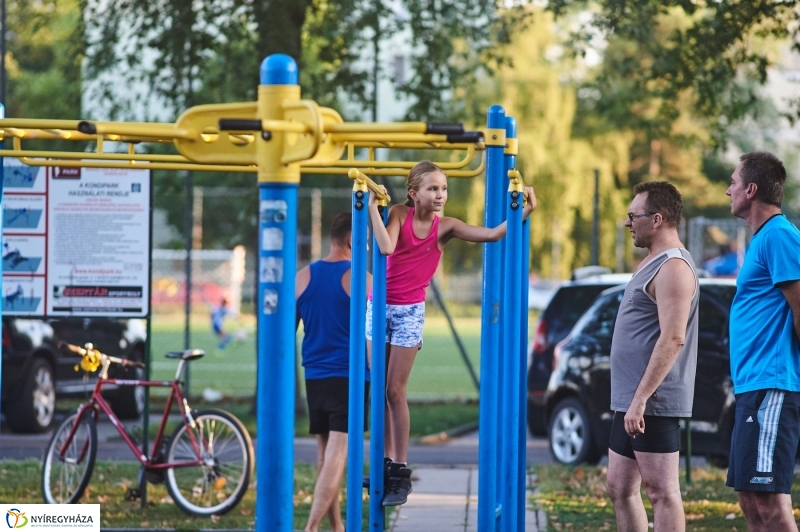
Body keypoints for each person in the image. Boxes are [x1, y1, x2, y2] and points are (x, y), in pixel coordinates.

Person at [367, 160, 535, 506]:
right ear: (414, 193)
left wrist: (525, 210)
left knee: (395, 390)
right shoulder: (398, 213)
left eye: (443, 188)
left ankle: (399, 469)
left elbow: (491, 234)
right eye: (432, 188)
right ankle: (382, 461)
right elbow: (386, 247)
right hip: (378, 305)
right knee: (378, 390)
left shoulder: (446, 227)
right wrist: (371, 208)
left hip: (409, 311)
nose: (440, 194)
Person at [606, 181, 699, 532]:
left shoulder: (673, 267)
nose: (627, 223)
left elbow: (673, 338)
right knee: (619, 487)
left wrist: (641, 400)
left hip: (651, 402)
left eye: (634, 216)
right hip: (631, 400)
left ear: (657, 219)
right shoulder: (652, 262)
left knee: (661, 492)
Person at [724, 152, 800, 532]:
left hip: (772, 384)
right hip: (751, 386)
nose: (728, 190)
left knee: (770, 503)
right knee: (751, 501)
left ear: (751, 190)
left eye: (733, 182)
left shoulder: (779, 236)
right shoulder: (762, 239)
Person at [296, 212, 371, 532]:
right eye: (365, 242)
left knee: (325, 454)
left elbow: (288, 330)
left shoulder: (302, 277)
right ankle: (311, 527)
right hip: (349, 377)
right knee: (338, 453)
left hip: (314, 375)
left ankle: (337, 526)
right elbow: (374, 334)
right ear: (353, 240)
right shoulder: (363, 279)